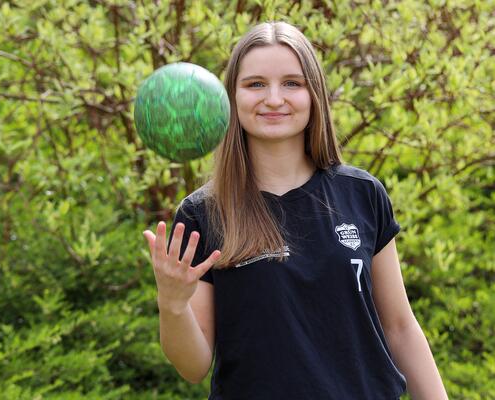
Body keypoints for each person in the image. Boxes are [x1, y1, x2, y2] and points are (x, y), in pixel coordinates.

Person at [143, 21, 448, 400]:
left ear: (314, 94)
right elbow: (193, 366)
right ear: (230, 97)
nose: (274, 98)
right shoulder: (203, 213)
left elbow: (400, 328)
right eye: (255, 84)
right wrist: (172, 304)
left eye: (292, 83)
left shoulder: (362, 193)